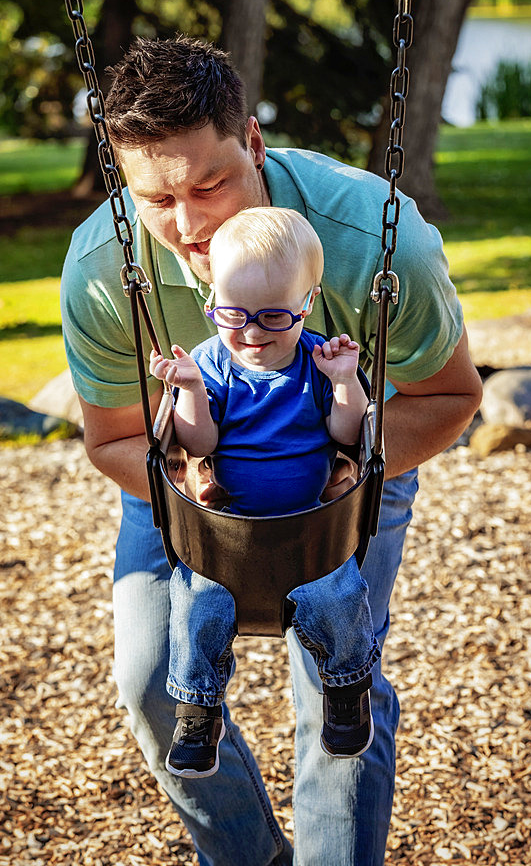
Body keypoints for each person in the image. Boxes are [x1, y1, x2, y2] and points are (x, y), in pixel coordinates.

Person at [60, 34, 482, 866]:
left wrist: (342, 471)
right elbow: (112, 440)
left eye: (210, 184)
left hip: (346, 457)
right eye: (156, 199)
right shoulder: (106, 269)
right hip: (189, 478)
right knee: (152, 681)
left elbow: (449, 395)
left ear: (253, 141)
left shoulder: (371, 241)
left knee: (333, 678)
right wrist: (198, 473)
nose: (187, 225)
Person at [149, 207, 379, 778]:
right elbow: (199, 442)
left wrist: (346, 382)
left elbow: (347, 436)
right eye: (234, 313)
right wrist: (189, 392)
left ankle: (346, 690)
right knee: (197, 600)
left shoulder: (319, 363)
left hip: (313, 528)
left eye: (275, 316)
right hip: (226, 533)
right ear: (211, 301)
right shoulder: (208, 366)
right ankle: (197, 710)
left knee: (337, 594)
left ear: (308, 302)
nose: (252, 332)